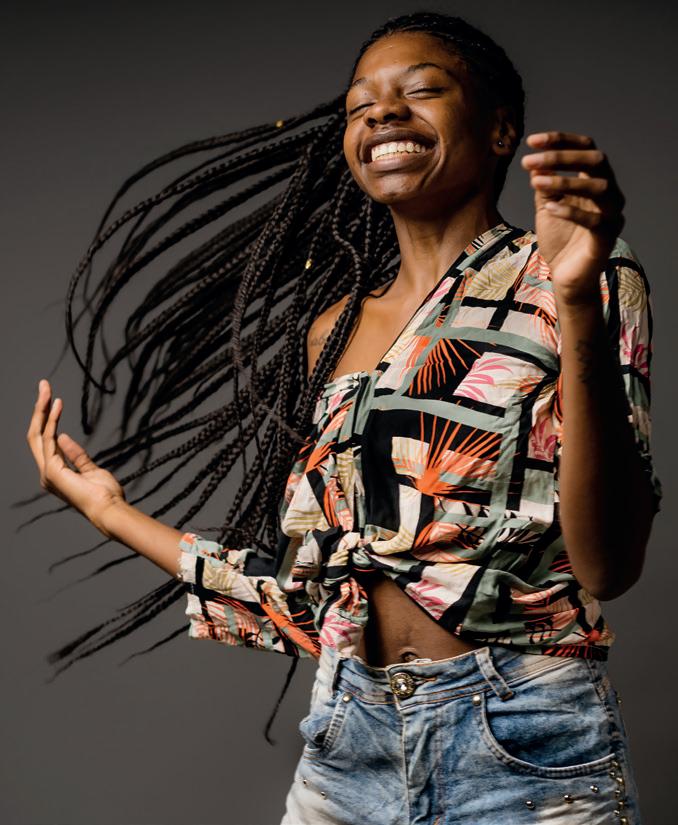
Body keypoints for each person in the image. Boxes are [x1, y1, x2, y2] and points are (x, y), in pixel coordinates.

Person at [26, 11, 661, 824]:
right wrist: (112, 514)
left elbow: (608, 565)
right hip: (348, 741)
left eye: (421, 90)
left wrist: (574, 301)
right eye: (361, 106)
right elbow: (316, 596)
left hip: (522, 742)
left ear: (501, 128)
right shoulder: (333, 332)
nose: (384, 113)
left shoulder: (574, 272)